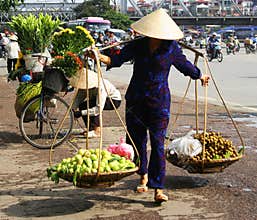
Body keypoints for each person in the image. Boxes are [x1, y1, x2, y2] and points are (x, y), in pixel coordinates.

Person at [87, 8, 209, 203]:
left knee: (158, 144)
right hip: (136, 99)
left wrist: (200, 75)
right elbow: (117, 59)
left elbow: (185, 66)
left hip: (159, 102)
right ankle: (142, 174)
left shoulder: (172, 48)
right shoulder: (138, 45)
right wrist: (99, 57)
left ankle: (158, 188)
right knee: (137, 142)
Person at [72, 70, 122, 138]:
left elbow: (98, 109)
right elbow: (79, 97)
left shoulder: (100, 87)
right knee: (83, 105)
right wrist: (72, 109)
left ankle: (97, 131)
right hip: (97, 99)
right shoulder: (84, 85)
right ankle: (90, 129)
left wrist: (81, 113)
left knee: (93, 106)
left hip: (113, 100)